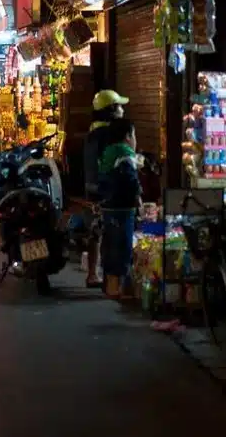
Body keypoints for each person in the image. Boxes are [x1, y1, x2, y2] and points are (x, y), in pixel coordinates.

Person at [79, 89, 129, 288]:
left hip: (92, 187)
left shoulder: (93, 132)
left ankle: (93, 274)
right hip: (105, 188)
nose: (122, 110)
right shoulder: (109, 134)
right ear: (111, 109)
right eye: (119, 106)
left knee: (95, 231)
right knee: (111, 231)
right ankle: (112, 278)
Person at [97, 118, 144, 300]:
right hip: (122, 207)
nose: (135, 140)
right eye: (134, 135)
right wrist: (138, 198)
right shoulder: (124, 153)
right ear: (127, 136)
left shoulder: (108, 151)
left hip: (108, 205)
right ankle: (116, 288)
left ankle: (109, 284)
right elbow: (129, 180)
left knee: (110, 245)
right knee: (122, 246)